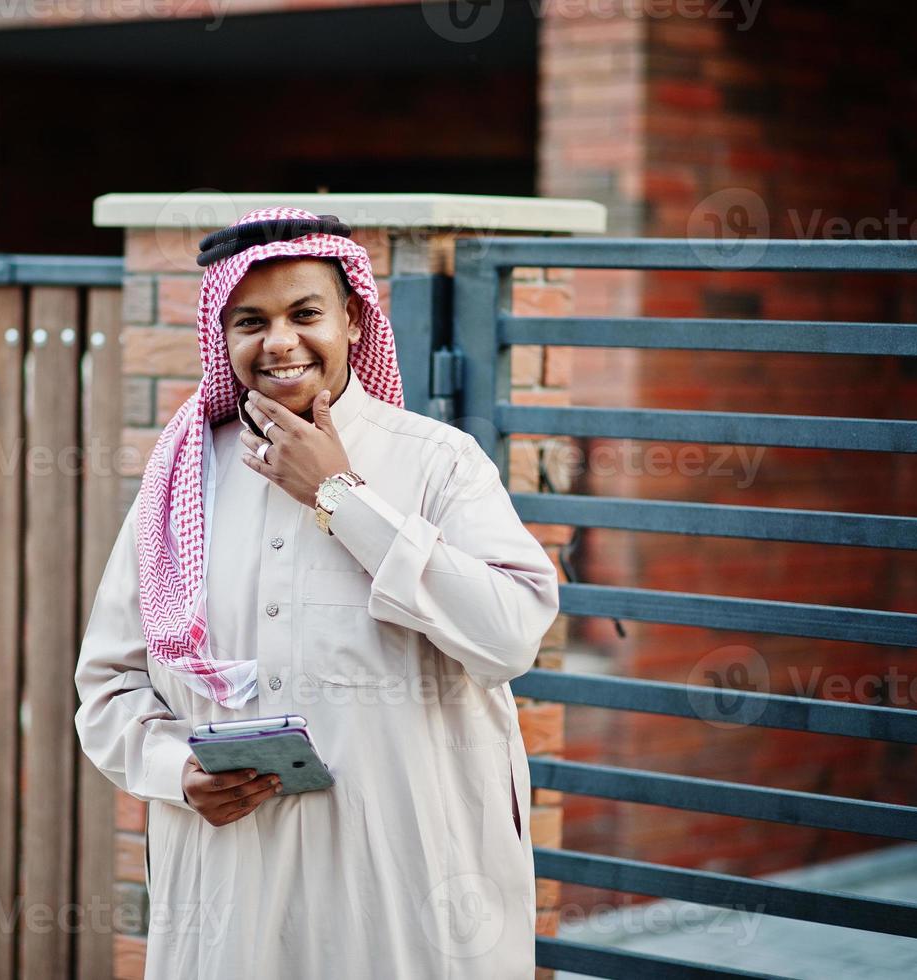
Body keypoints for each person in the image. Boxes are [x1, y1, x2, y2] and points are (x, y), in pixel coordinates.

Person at [74, 206, 561, 978]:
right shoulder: (179, 484)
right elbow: (108, 686)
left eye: (306, 314)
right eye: (249, 321)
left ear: (354, 322)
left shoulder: (438, 464)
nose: (278, 343)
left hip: (405, 903)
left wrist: (339, 497)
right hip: (232, 895)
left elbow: (509, 637)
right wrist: (176, 771)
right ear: (222, 336)